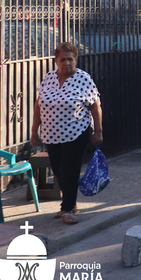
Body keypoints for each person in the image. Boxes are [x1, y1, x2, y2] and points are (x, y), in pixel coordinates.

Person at [30, 42, 103, 225]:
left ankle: (68, 208)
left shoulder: (83, 78)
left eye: (70, 59)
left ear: (76, 59)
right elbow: (38, 105)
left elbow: (95, 106)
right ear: (56, 61)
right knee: (58, 170)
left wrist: (99, 131)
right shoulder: (48, 78)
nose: (67, 63)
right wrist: (34, 129)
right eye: (63, 59)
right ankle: (70, 202)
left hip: (76, 133)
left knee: (69, 170)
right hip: (51, 134)